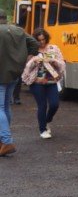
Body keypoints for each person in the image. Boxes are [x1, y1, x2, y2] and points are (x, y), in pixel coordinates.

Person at [0, 10, 38, 156]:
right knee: (6, 106)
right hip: (15, 73)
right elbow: (34, 43)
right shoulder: (18, 30)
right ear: (5, 18)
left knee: (0, 107)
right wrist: (26, 59)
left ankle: (7, 141)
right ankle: (3, 140)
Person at [22, 28, 65, 140]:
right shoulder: (32, 50)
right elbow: (26, 68)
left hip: (51, 81)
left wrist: (54, 61)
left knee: (55, 104)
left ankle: (47, 120)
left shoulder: (54, 48)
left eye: (43, 39)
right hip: (36, 82)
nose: (41, 42)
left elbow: (62, 65)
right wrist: (34, 62)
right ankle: (43, 130)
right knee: (42, 105)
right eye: (39, 40)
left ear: (46, 38)